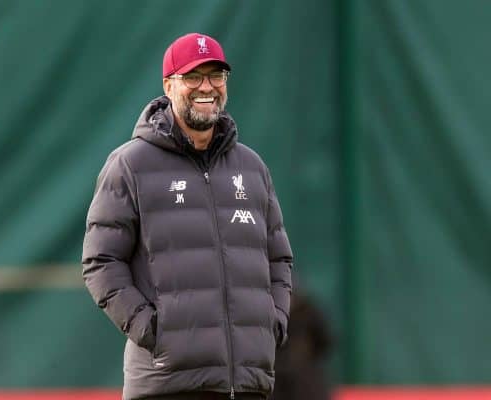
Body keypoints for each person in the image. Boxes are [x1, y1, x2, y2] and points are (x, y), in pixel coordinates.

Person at [82, 32, 293, 400]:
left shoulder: (252, 166)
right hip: (168, 384)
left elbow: (279, 258)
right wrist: (154, 331)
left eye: (216, 76)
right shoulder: (130, 164)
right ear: (168, 85)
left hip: (247, 383)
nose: (206, 87)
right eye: (193, 77)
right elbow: (100, 261)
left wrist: (271, 323)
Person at [271, 293, 333, 400]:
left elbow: (326, 341)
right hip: (278, 378)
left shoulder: (308, 312)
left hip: (304, 379)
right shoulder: (271, 315)